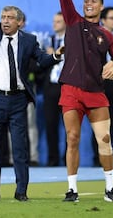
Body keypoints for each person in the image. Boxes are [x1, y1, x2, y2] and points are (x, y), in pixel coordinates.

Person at [0, 0, 62, 202]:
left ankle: (21, 192)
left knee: (20, 149)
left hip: (18, 100)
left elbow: (42, 60)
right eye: (3, 17)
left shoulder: (29, 40)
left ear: (20, 22)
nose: (5, 21)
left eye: (10, 18)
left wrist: (56, 56)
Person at [52, 0, 113, 202]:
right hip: (71, 90)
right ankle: (72, 190)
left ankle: (110, 188)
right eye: (86, 0)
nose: (88, 3)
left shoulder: (107, 35)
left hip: (96, 93)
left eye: (93, 0)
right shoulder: (73, 21)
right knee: (72, 137)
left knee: (105, 140)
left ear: (101, 6)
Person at [91, 7, 113, 167]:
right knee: (98, 121)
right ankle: (97, 158)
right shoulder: (94, 36)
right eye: (112, 18)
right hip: (99, 85)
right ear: (103, 20)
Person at [43, 11, 66, 166]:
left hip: (66, 87)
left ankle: (67, 159)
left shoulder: (71, 41)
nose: (55, 24)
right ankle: (53, 159)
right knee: (50, 125)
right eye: (54, 21)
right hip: (51, 87)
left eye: (58, 21)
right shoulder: (48, 41)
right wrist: (49, 56)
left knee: (69, 126)